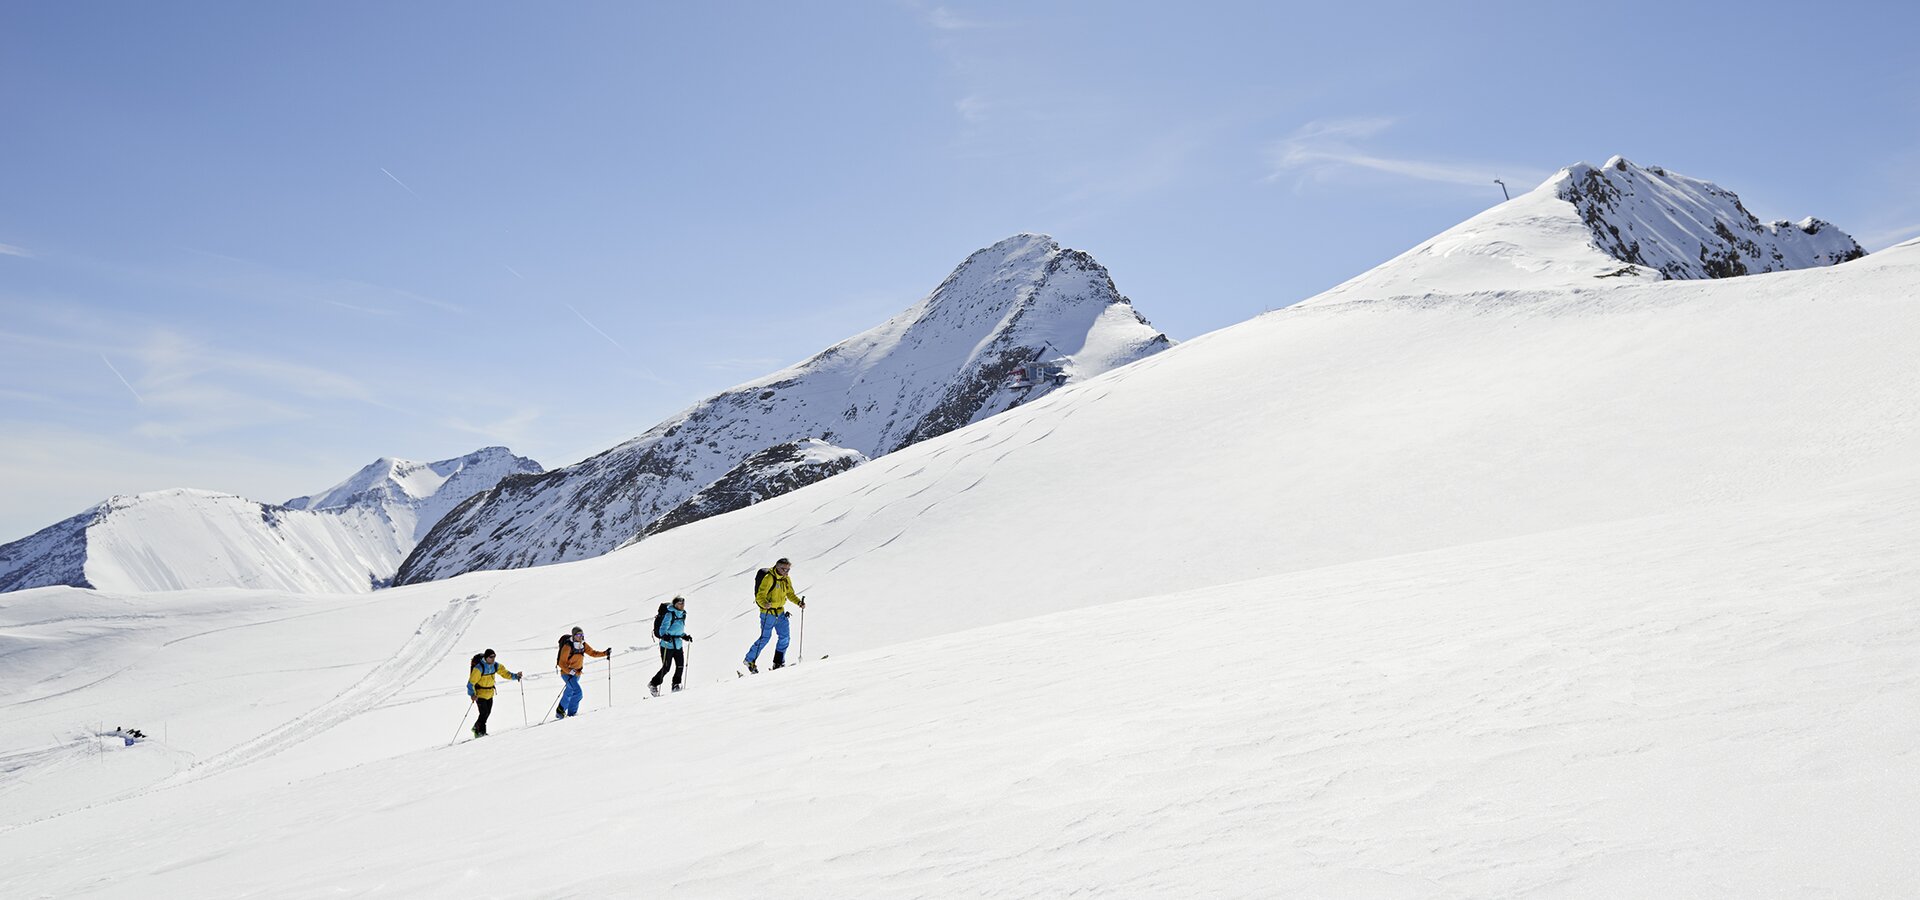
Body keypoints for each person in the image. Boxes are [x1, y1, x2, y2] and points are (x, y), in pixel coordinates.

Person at [744, 557, 805, 673]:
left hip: (780, 612)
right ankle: (750, 660)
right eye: (784, 569)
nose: (786, 572)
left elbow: (790, 594)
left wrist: (798, 602)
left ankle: (778, 662)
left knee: (785, 637)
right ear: (777, 567)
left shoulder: (786, 580)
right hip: (768, 613)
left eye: (788, 570)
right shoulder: (768, 578)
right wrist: (764, 604)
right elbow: (760, 595)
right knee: (765, 638)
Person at [554, 627, 609, 719]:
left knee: (569, 692)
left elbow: (593, 653)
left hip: (577, 674)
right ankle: (572, 714)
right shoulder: (568, 646)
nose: (580, 637)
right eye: (578, 635)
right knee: (578, 692)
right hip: (567, 674)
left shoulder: (583, 645)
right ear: (574, 636)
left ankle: (560, 712)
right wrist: (569, 671)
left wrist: (605, 653)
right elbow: (561, 662)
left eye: (582, 635)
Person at [466, 649, 522, 738]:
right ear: (486, 657)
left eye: (494, 656)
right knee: (483, 713)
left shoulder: (496, 665)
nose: (493, 659)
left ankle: (477, 727)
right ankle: (481, 732)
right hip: (480, 694)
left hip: (490, 693)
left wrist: (515, 676)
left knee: (487, 713)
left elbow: (505, 673)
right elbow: (471, 683)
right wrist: (472, 694)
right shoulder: (479, 668)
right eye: (491, 657)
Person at [650, 596, 692, 696]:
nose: (682, 605)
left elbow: (678, 629)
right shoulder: (669, 614)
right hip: (667, 645)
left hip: (677, 644)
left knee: (680, 666)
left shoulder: (683, 614)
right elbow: (662, 629)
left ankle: (676, 685)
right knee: (666, 667)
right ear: (675, 604)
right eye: (680, 603)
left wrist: (684, 636)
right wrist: (664, 636)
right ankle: (653, 684)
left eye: (683, 603)